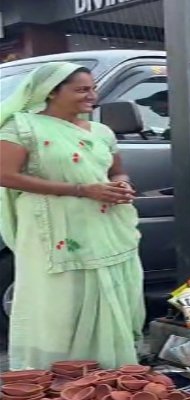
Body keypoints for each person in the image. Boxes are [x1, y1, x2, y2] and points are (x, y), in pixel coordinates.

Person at [0, 62, 145, 369]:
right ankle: (56, 374)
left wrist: (122, 184)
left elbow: (117, 171)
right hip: (53, 226)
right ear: (51, 92)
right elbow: (5, 175)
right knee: (62, 300)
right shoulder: (22, 127)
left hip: (105, 223)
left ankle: (108, 372)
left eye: (93, 89)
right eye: (81, 90)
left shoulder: (102, 132)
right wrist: (81, 189)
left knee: (109, 290)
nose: (92, 96)